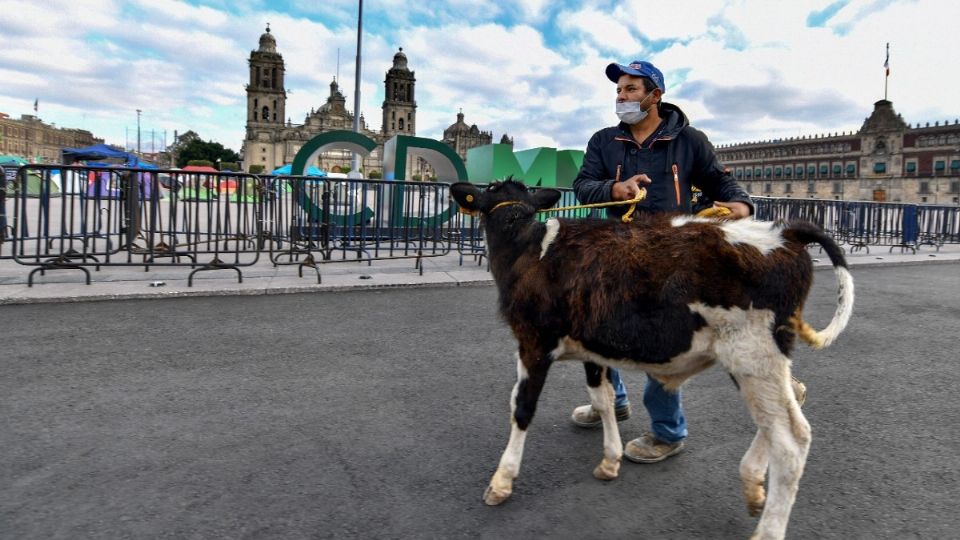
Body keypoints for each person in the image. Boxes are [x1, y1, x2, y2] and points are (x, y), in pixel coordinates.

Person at [571, 59, 753, 464]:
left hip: (672, 256)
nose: (621, 97)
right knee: (595, 330)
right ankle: (612, 402)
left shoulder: (690, 140)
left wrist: (740, 204)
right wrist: (614, 188)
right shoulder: (603, 141)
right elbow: (583, 186)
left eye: (631, 89)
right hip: (617, 251)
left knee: (660, 344)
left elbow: (721, 182)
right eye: (619, 90)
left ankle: (667, 433)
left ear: (655, 95)